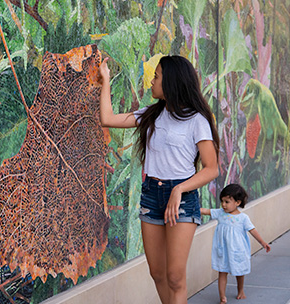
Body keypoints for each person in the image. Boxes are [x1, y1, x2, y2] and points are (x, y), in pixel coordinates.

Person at [99, 55, 219, 304]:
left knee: (175, 277)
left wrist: (180, 190)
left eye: (157, 76)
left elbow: (211, 169)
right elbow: (107, 119)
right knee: (157, 273)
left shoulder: (197, 121)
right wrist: (106, 80)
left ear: (172, 82)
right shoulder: (151, 115)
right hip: (152, 196)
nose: (151, 82)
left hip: (182, 199)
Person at [200, 184, 271, 304]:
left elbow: (252, 230)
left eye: (227, 202)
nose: (223, 205)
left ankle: (240, 290)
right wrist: (191, 208)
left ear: (237, 202)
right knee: (222, 272)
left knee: (239, 271)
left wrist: (262, 242)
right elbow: (206, 211)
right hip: (223, 250)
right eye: (222, 201)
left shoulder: (243, 218)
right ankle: (222, 297)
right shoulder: (220, 213)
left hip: (238, 249)